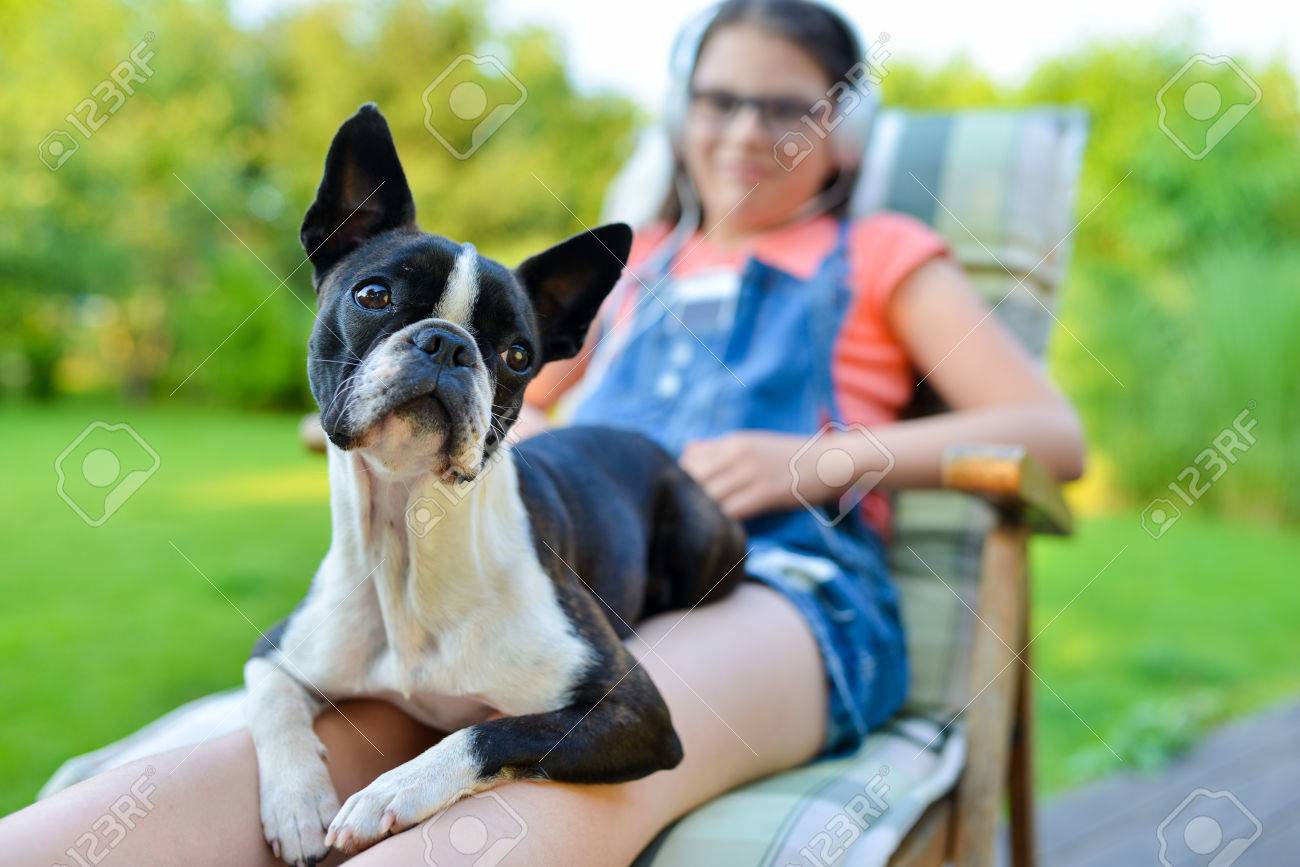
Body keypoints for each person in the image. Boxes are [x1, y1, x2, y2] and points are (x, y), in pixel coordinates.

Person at [0, 2, 1084, 864]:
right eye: (719, 99)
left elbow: (1051, 433)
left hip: (778, 577)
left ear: (841, 132)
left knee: (588, 765)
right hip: (538, 569)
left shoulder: (881, 252)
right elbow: (523, 416)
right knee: (260, 775)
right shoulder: (635, 263)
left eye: (786, 108)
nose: (747, 130)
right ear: (682, 108)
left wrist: (823, 457)